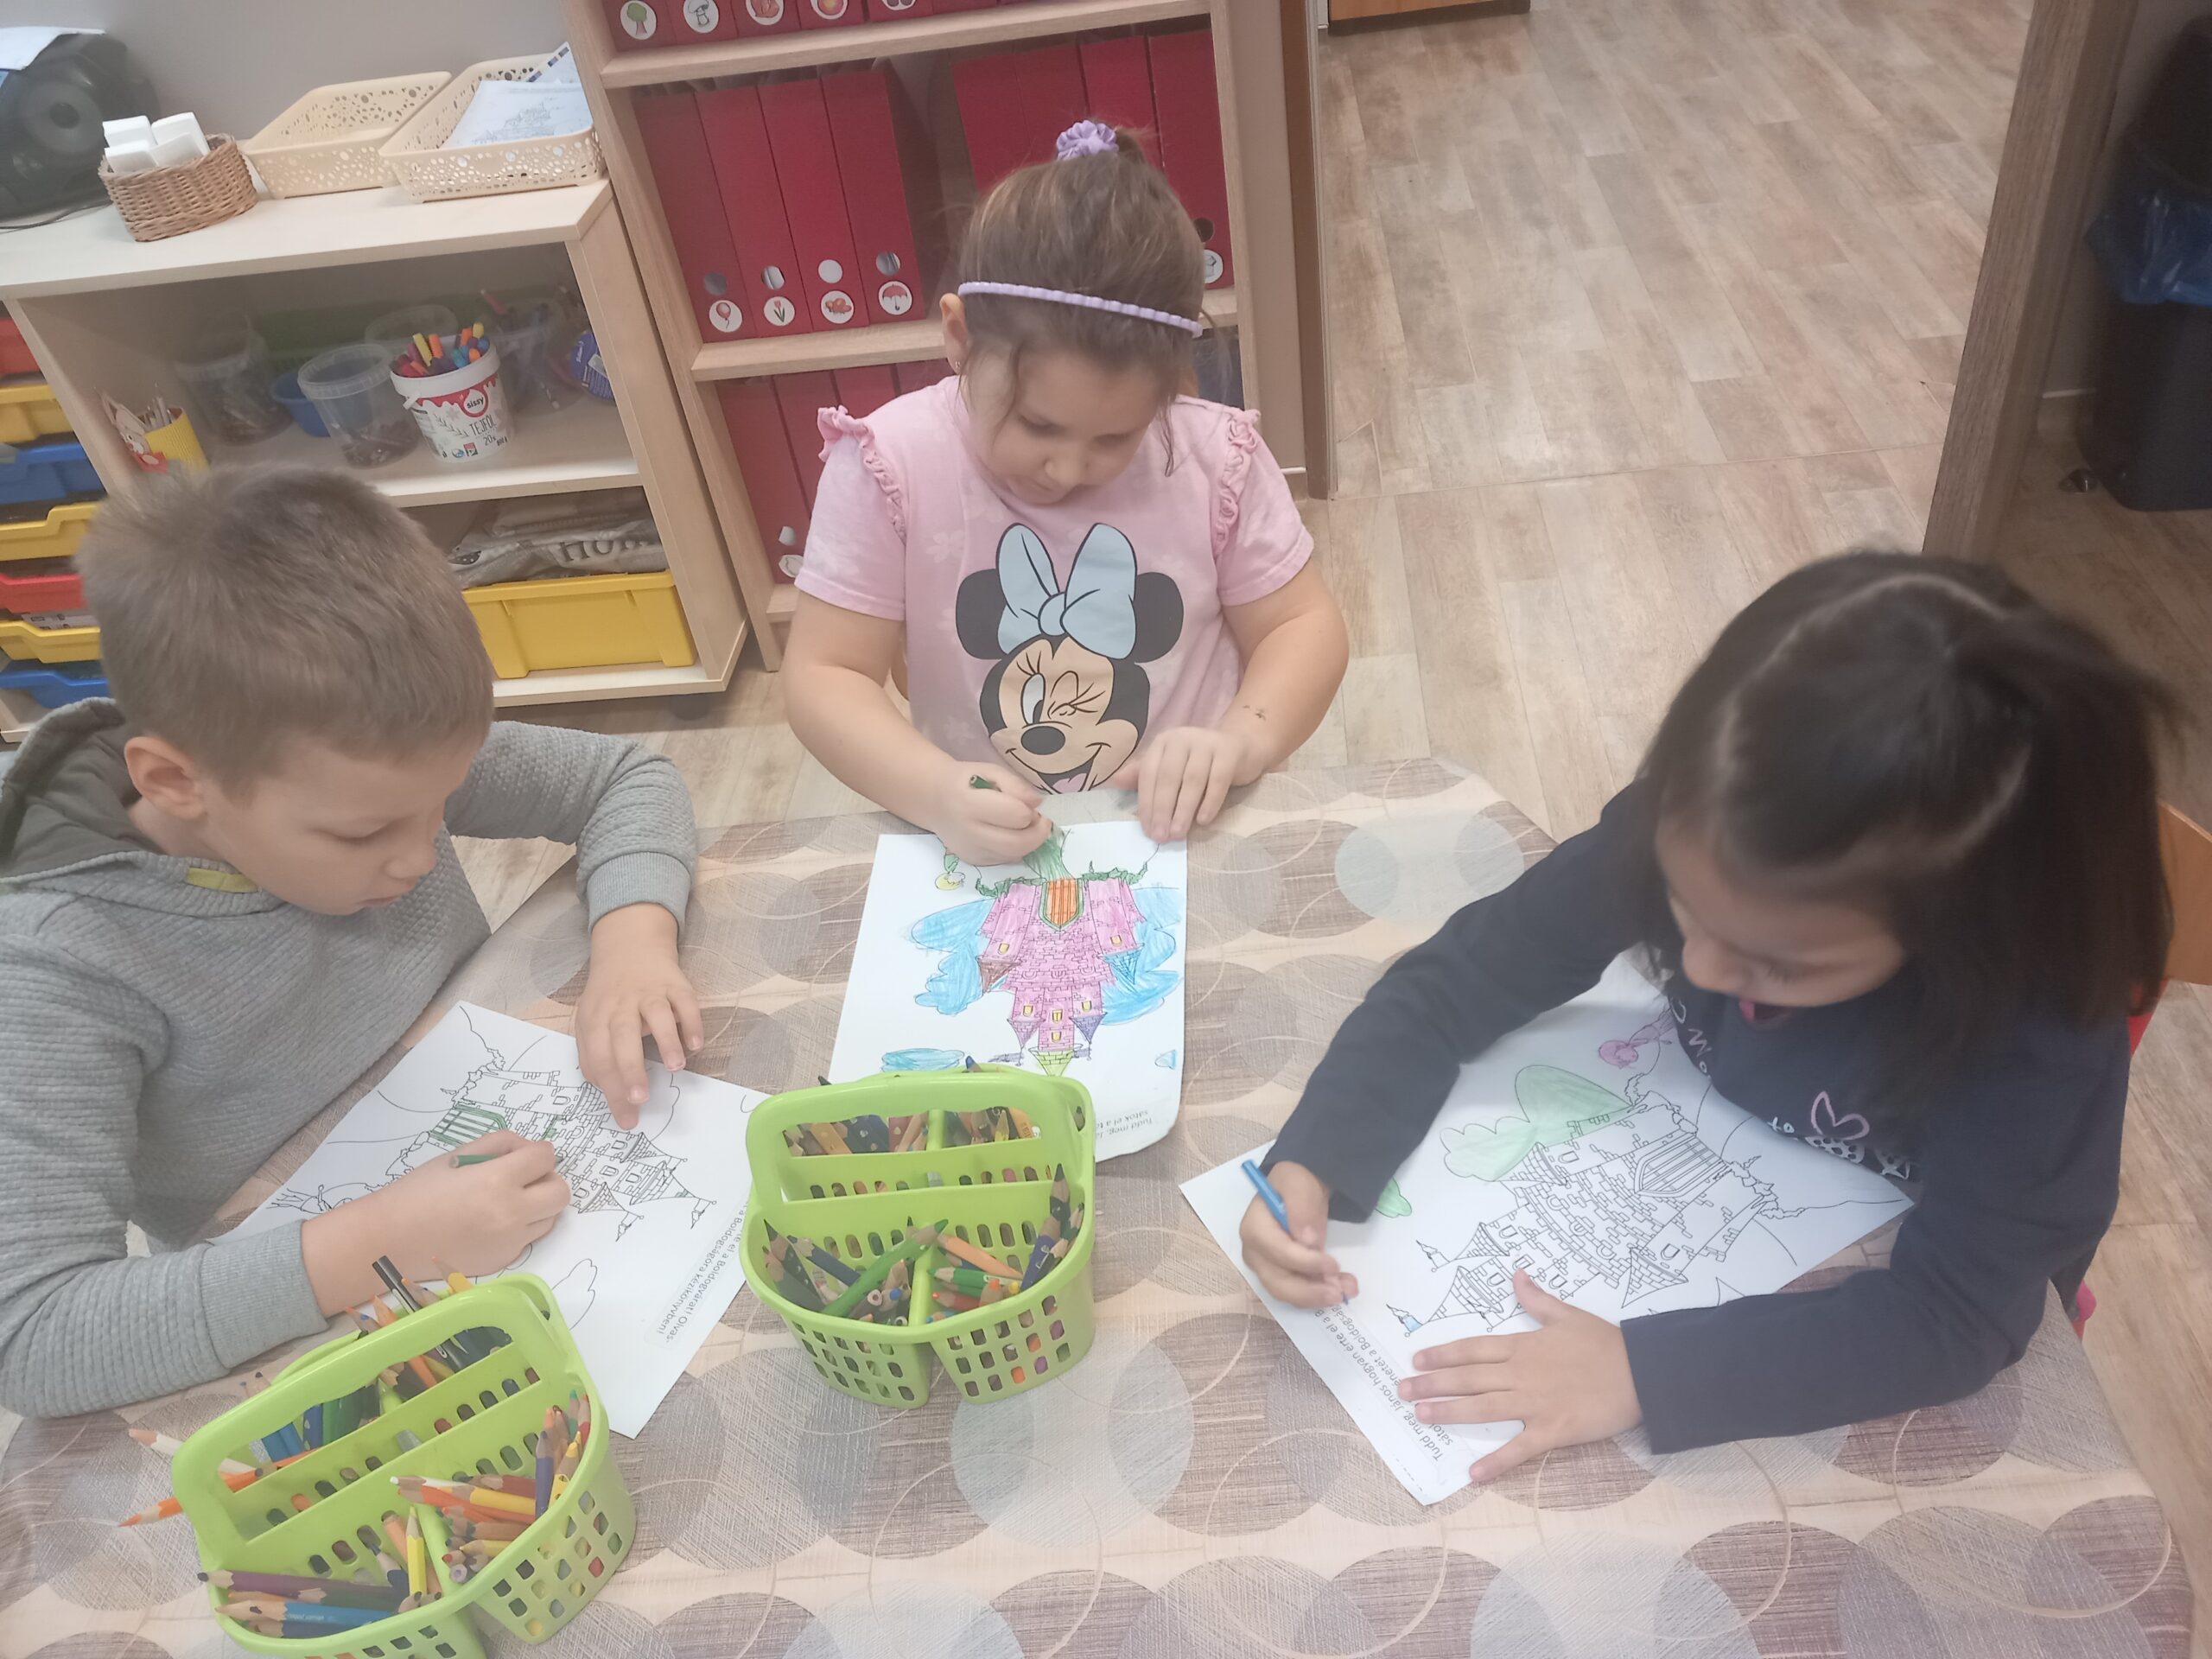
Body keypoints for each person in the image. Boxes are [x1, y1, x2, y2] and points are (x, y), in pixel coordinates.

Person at [1243, 551, 2171, 1479]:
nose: (1700, 969)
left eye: (1777, 964)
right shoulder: (1700, 829)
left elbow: (1960, 1315)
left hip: (1960, 1252)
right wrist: (1318, 1154)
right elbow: (1456, 982)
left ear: (1956, 936)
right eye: (1685, 910)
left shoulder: (2037, 1026)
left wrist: (1645, 1372)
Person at [0, 467, 705, 1418]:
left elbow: (625, 778)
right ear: (175, 783)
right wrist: (379, 1243)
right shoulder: (51, 967)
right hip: (298, 1287)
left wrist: (632, 941)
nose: (420, 852)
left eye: (441, 803)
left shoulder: (359, 754)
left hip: (470, 1125)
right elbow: (34, 1336)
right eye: (364, 835)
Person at [785, 119, 1347, 861]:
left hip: (1190, 835)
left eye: (1116, 437)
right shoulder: (891, 464)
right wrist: (931, 789)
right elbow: (824, 673)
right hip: (985, 843)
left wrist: (1242, 739)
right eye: (1037, 424)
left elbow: (1301, 626)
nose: (1068, 468)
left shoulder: (1213, 458)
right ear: (958, 336)